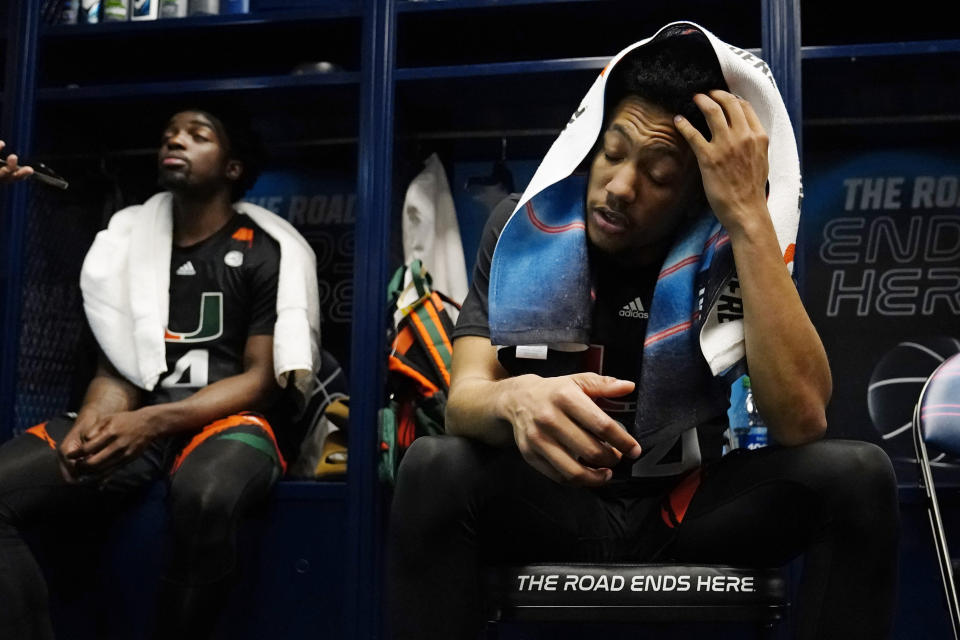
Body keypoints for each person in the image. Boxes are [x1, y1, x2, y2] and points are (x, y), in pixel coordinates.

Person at [389, 27, 899, 640]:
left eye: (659, 175)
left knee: (859, 475)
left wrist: (747, 216)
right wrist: (514, 398)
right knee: (432, 463)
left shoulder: (729, 245)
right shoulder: (523, 228)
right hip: (558, 498)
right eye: (612, 151)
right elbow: (464, 398)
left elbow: (801, 420)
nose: (622, 186)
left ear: (693, 197)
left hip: (687, 506)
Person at [0, 109, 316, 639]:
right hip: (136, 419)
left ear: (233, 166)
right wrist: (96, 421)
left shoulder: (265, 248)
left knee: (208, 495)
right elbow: (117, 366)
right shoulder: (127, 242)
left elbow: (262, 380)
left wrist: (150, 423)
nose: (176, 140)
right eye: (171, 133)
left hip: (228, 421)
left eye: (198, 135)